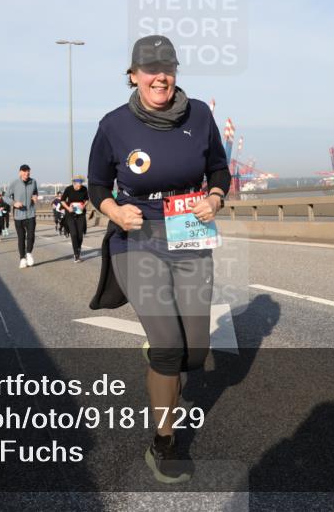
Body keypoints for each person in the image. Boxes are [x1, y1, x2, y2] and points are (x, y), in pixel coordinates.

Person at [87, 35, 230, 484]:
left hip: (189, 235)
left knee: (195, 353)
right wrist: (114, 210)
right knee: (169, 349)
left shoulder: (200, 114)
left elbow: (219, 168)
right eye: (149, 68)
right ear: (133, 75)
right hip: (138, 240)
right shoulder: (113, 125)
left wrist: (216, 196)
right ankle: (163, 443)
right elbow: (95, 185)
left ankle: (162, 357)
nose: (159, 75)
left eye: (167, 67)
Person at [4, 164, 39, 268]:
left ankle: (28, 253)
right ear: (20, 172)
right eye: (24, 171)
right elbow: (5, 197)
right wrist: (14, 203)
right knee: (21, 237)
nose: (26, 173)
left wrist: (35, 197)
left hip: (31, 213)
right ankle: (22, 258)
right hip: (18, 215)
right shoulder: (14, 183)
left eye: (28, 171)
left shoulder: (33, 182)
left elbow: (35, 192)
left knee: (31, 236)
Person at [61, 175, 90, 262]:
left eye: (81, 183)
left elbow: (87, 200)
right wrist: (68, 208)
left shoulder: (84, 189)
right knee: (74, 234)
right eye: (78, 183)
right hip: (70, 214)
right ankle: (76, 255)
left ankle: (78, 249)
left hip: (80, 214)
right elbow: (62, 200)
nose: (79, 185)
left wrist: (83, 206)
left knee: (80, 235)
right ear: (74, 182)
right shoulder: (68, 189)